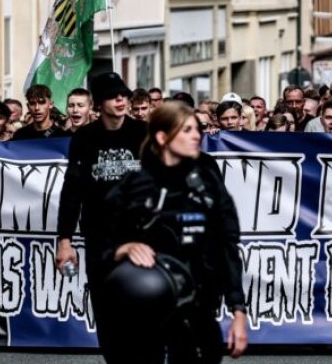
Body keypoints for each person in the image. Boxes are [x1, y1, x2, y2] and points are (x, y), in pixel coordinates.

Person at [97, 102, 247, 363]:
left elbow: (228, 247)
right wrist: (123, 249)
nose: (196, 136)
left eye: (197, 129)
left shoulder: (208, 181)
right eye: (186, 130)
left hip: (197, 304)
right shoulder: (134, 185)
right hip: (144, 305)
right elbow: (100, 241)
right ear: (162, 137)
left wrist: (238, 312)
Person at [55, 71, 148, 364]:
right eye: (112, 95)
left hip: (141, 236)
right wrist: (64, 240)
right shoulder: (85, 138)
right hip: (100, 240)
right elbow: (72, 191)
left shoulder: (143, 133)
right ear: (97, 103)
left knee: (142, 311)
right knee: (107, 314)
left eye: (123, 94)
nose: (120, 99)